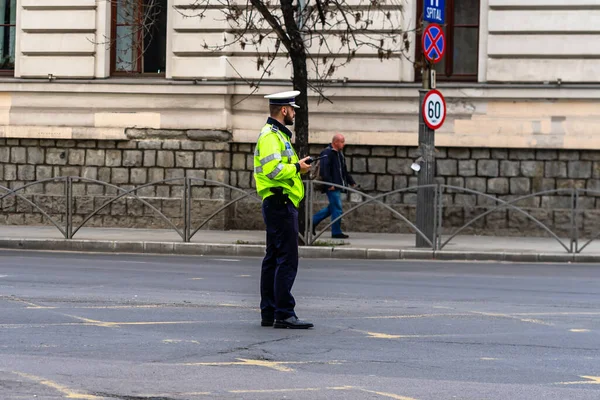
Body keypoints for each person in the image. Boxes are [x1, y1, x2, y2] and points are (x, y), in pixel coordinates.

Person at [253, 90, 314, 329]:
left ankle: (270, 312)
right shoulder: (270, 135)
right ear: (284, 110)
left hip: (279, 203)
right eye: (293, 109)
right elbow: (273, 171)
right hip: (280, 204)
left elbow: (279, 165)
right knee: (286, 260)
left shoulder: (278, 135)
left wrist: (298, 165)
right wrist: (298, 168)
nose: (295, 113)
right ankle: (284, 313)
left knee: (274, 259)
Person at [312, 133, 356, 239]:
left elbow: (344, 170)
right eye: (342, 142)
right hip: (332, 186)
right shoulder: (327, 153)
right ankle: (336, 232)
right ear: (335, 142)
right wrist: (329, 184)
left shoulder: (339, 154)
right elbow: (324, 170)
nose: (343, 144)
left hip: (337, 185)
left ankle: (312, 221)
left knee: (332, 208)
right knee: (337, 208)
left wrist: (351, 182)